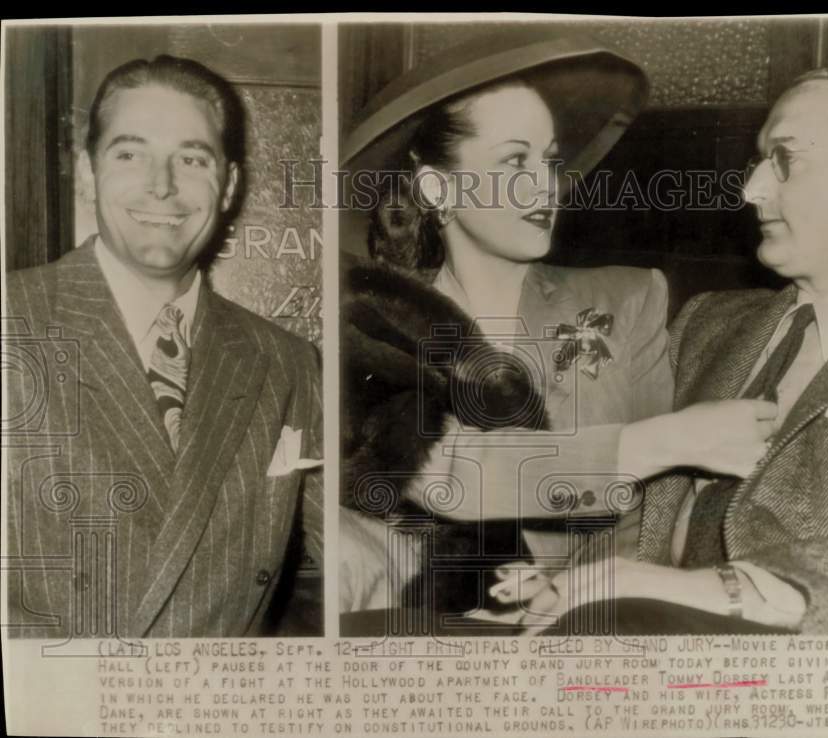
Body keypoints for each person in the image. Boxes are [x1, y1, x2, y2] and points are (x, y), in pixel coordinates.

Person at [526, 64, 828, 635]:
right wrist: (544, 577)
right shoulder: (706, 323)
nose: (751, 190)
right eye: (759, 161)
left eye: (786, 160)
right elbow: (616, 496)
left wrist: (711, 589)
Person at [338, 32, 778, 627]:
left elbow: (658, 509)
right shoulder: (380, 325)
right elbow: (448, 476)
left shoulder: (627, 298)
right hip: (430, 622)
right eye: (514, 160)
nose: (545, 186)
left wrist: (570, 589)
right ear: (437, 187)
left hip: (602, 621)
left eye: (548, 161)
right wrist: (673, 438)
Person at [4, 55, 322, 638]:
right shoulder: (12, 322)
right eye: (130, 153)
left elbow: (353, 551)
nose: (162, 185)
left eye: (191, 158)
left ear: (227, 186)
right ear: (85, 172)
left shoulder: (287, 362)